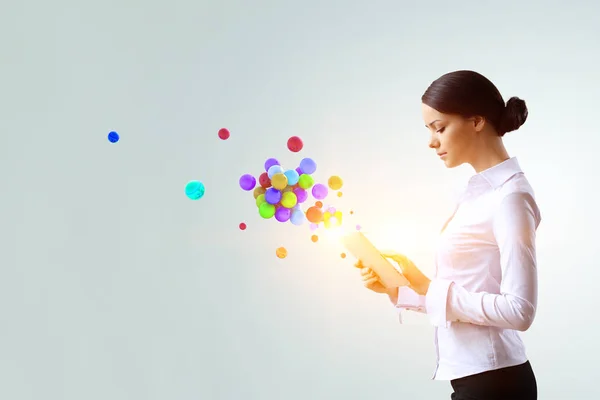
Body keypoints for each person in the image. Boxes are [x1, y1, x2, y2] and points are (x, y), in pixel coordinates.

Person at [356, 70, 541, 400]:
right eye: (429, 130)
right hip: (476, 379)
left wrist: (430, 288)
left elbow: (519, 311)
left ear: (476, 121)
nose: (431, 141)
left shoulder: (509, 198)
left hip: (496, 382)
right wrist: (401, 290)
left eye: (439, 127)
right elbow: (466, 290)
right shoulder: (476, 193)